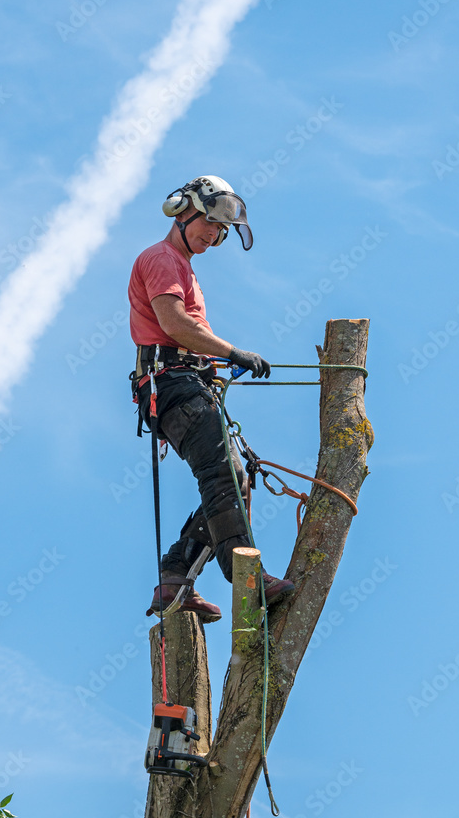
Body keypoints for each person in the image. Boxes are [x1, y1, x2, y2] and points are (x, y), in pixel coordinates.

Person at [128, 175, 294, 623]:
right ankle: (247, 579)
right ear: (182, 210)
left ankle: (176, 576)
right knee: (225, 477)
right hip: (173, 387)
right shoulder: (162, 259)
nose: (215, 235)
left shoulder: (182, 266)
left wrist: (212, 363)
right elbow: (177, 326)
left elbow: (180, 338)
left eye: (221, 230)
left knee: (234, 481)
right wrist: (231, 351)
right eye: (210, 223)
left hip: (182, 384)